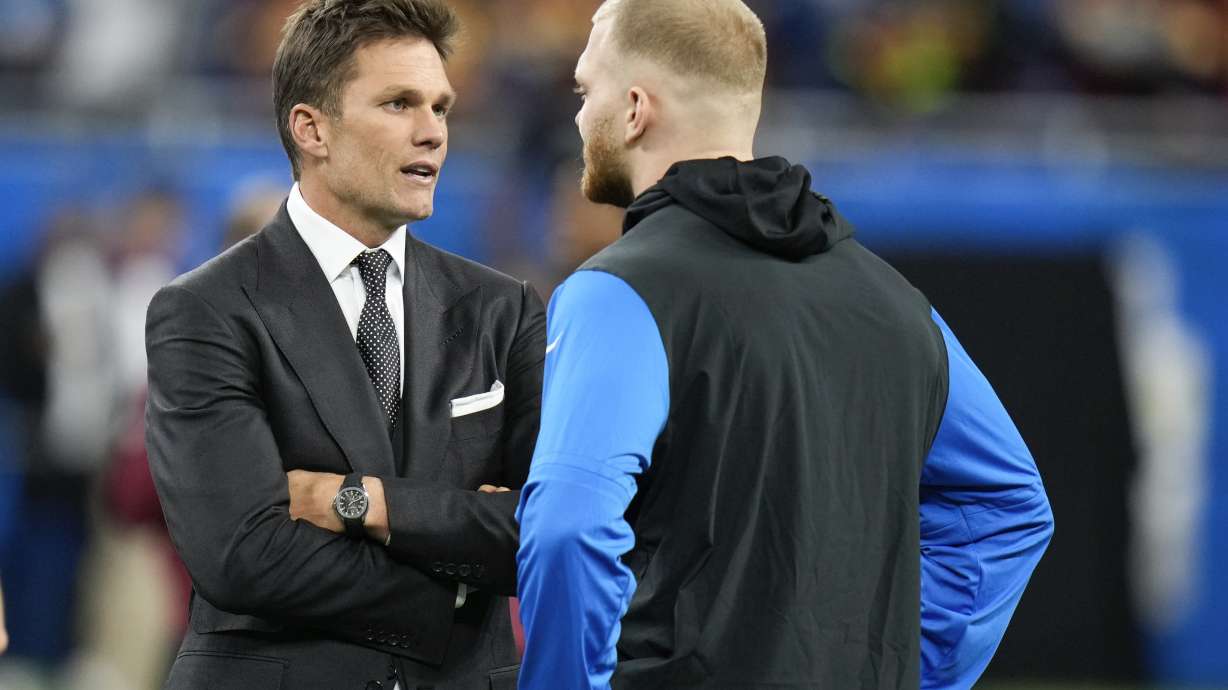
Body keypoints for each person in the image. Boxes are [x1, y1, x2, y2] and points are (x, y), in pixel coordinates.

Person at [514, 1, 1054, 688]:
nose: (578, 117)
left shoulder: (615, 292)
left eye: (587, 91)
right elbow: (1008, 506)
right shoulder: (894, 302)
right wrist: (900, 669)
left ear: (635, 108)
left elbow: (567, 530)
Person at [145, 1, 544, 689]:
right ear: (312, 128)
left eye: (441, 108)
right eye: (399, 104)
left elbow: (540, 532)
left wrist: (358, 503)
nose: (433, 134)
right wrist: (452, 591)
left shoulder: (502, 310)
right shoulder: (204, 310)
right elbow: (243, 554)